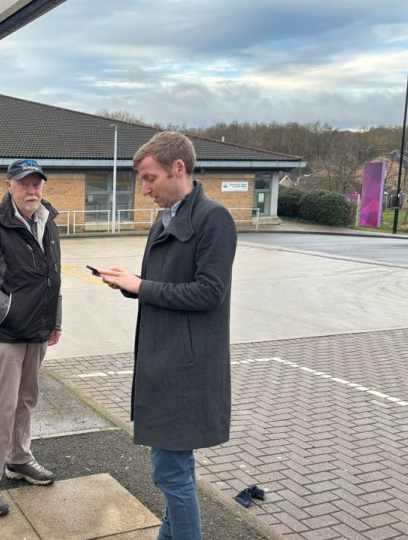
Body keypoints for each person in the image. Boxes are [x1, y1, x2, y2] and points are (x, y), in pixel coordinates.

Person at [98, 132, 237, 540]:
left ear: (179, 168)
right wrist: (129, 284)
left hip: (186, 369)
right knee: (175, 471)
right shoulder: (167, 218)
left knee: (170, 474)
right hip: (162, 362)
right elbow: (161, 286)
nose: (144, 189)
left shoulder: (214, 218)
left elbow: (210, 293)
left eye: (149, 178)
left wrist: (140, 286)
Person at [0, 158, 63, 517]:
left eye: (37, 184)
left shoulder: (48, 222)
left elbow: (53, 277)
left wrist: (55, 319)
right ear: (9, 185)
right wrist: (9, 313)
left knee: (27, 399)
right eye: (24, 184)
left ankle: (18, 459)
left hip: (37, 331)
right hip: (3, 333)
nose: (32, 190)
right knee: (0, 409)